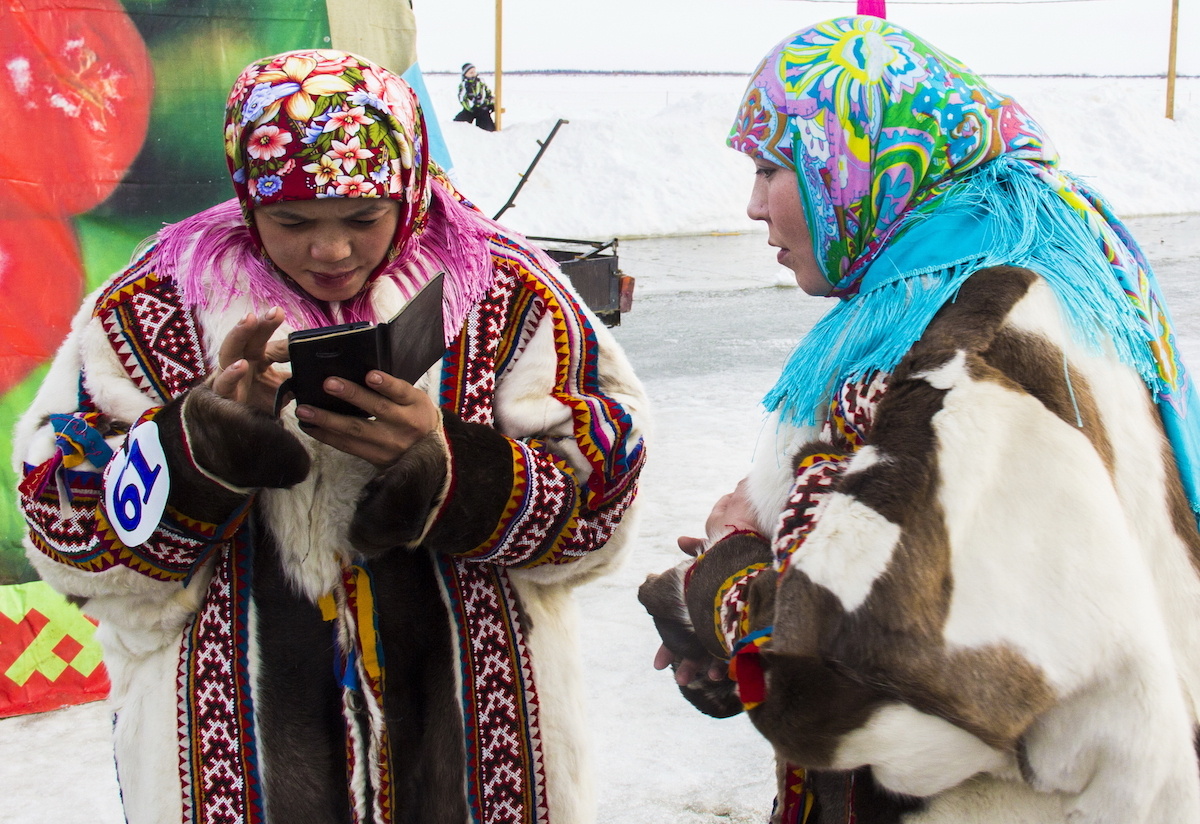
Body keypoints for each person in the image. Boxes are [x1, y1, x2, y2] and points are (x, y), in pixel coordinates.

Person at [16, 49, 647, 824]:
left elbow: (602, 503)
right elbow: (63, 527)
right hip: (229, 770)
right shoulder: (156, 304)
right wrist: (198, 448)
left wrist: (453, 471)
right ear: (249, 202)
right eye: (291, 222)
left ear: (408, 188)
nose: (331, 250)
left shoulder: (503, 292)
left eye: (361, 218)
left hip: (478, 760)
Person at [639, 16, 1200, 824]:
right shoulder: (954, 293)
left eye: (773, 167)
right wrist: (724, 627)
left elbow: (838, 680)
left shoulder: (969, 346)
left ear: (856, 161)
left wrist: (729, 574)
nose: (753, 204)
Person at [455, 62, 496, 131]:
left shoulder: (481, 82)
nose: (473, 73)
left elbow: (488, 93)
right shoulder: (464, 85)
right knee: (458, 125)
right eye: (470, 72)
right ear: (465, 74)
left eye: (474, 71)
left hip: (483, 108)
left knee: (487, 128)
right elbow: (462, 99)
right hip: (470, 109)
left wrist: (490, 104)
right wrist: (471, 107)